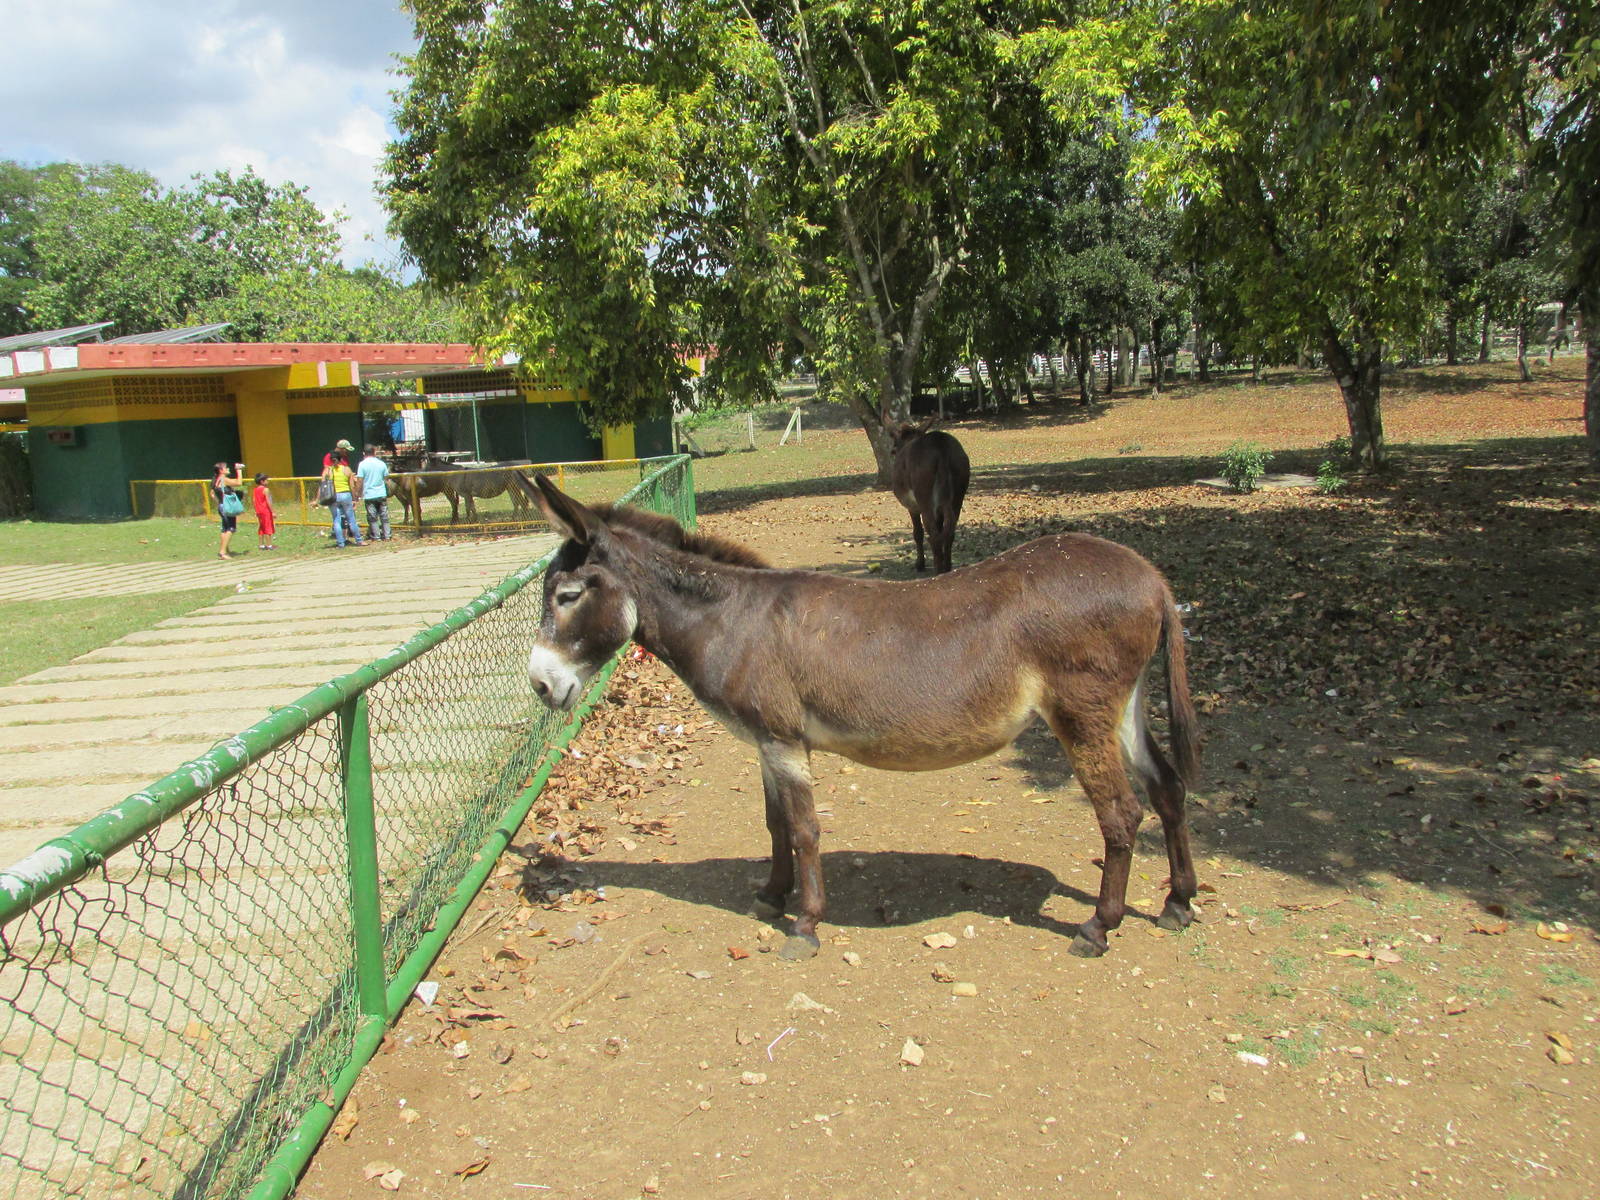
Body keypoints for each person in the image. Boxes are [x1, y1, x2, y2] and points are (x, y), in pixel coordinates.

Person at [321, 448, 365, 548]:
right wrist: (354, 498)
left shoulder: (328, 470)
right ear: (340, 459)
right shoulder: (347, 469)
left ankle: (340, 543)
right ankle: (359, 540)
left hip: (333, 496)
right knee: (351, 519)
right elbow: (352, 486)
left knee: (336, 520)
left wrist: (317, 498)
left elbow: (323, 484)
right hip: (346, 495)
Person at [355, 444, 392, 542]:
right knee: (384, 516)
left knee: (372, 517)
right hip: (381, 493)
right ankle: (387, 535)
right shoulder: (381, 463)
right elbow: (386, 478)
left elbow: (359, 480)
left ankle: (376, 536)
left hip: (369, 494)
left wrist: (357, 493)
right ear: (374, 452)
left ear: (364, 453)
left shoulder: (362, 464)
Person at [212, 461, 246, 559]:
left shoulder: (215, 480)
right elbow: (238, 483)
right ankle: (222, 552)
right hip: (227, 508)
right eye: (226, 468)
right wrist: (239, 470)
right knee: (231, 529)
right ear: (221, 470)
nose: (228, 469)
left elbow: (212, 494)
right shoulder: (223, 479)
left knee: (224, 529)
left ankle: (225, 550)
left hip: (221, 506)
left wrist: (219, 502)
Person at [253, 472, 276, 550]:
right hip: (265, 511)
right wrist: (272, 511)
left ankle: (261, 544)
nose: (268, 481)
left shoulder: (255, 490)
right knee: (268, 527)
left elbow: (254, 500)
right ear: (262, 481)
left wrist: (256, 510)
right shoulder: (266, 489)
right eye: (266, 480)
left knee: (261, 527)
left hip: (259, 511)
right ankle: (269, 545)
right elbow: (268, 501)